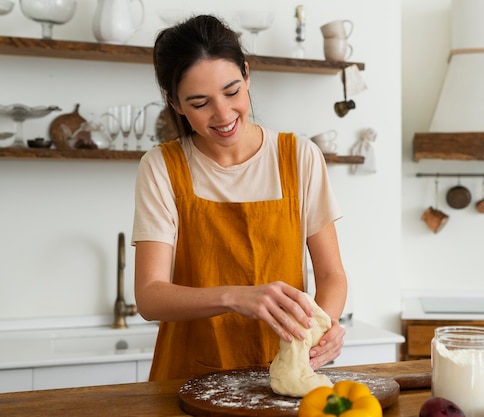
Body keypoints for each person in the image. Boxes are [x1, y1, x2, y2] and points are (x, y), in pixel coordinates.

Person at [131, 14, 348, 381]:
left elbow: (331, 275)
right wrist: (236, 297)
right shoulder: (162, 167)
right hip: (186, 378)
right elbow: (150, 297)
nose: (223, 114)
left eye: (232, 92)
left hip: (281, 377)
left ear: (247, 75)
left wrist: (323, 327)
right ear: (175, 102)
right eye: (200, 103)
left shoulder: (299, 157)